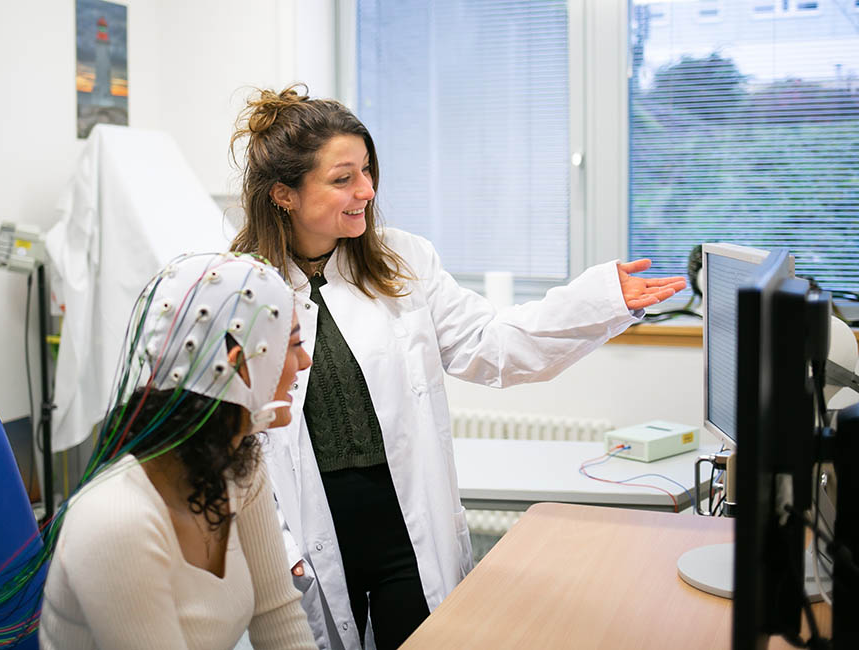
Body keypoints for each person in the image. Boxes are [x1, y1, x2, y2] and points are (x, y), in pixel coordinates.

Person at [228, 85, 688, 650]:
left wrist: (597, 301)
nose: (367, 191)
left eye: (368, 171)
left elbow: (491, 344)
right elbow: (230, 442)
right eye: (343, 178)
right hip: (311, 532)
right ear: (283, 194)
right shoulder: (238, 289)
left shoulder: (401, 262)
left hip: (407, 523)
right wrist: (274, 545)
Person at [39, 252, 319, 650]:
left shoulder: (240, 462)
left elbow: (277, 617)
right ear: (240, 366)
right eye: (293, 345)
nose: (305, 361)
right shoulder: (118, 522)